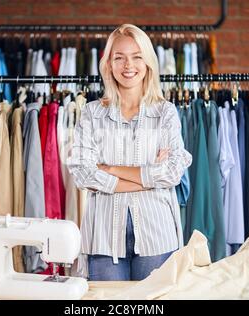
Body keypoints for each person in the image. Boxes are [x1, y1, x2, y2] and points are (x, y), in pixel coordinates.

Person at [67, 24, 192, 281]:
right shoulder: (91, 113)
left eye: (137, 57)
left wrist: (109, 169)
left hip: (157, 234)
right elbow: (83, 173)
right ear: (108, 64)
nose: (128, 65)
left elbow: (171, 173)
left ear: (147, 63)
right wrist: (148, 180)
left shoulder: (165, 112)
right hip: (103, 236)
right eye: (119, 58)